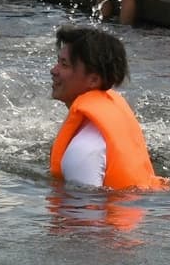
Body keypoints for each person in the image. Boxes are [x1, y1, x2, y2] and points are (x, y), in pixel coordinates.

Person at [49, 24, 163, 190]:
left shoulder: (83, 150)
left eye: (64, 64)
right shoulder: (108, 115)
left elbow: (85, 206)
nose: (53, 70)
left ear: (94, 80)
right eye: (58, 62)